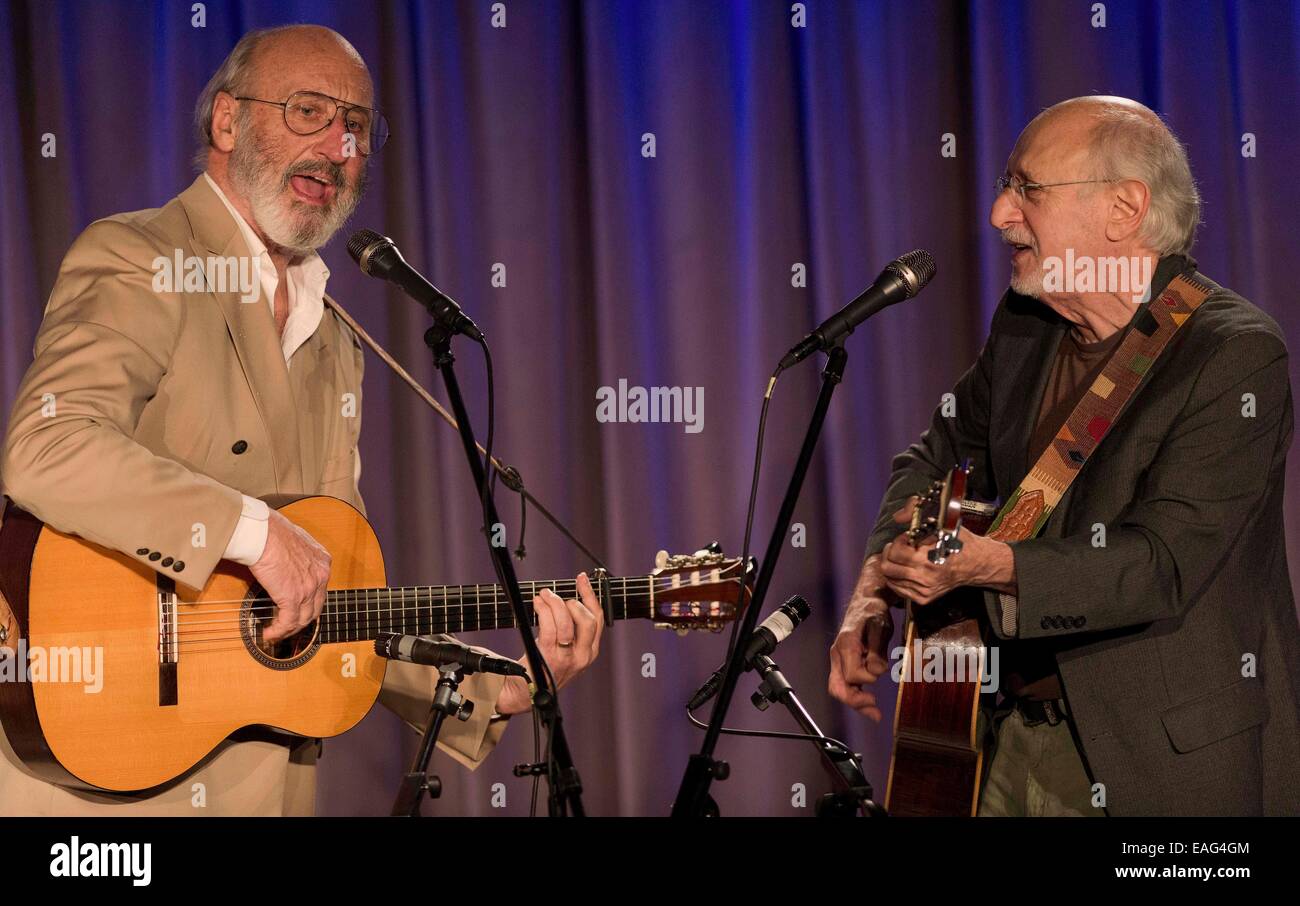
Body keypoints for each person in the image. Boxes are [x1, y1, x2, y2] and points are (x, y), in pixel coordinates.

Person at [0, 25, 602, 816]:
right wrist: (252, 533)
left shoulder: (338, 340)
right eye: (308, 111)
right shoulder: (143, 256)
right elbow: (49, 447)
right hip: (114, 781)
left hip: (270, 777)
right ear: (225, 123)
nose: (338, 147)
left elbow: (331, 591)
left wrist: (499, 688)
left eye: (357, 127)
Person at [829, 96, 1300, 816]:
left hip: (1155, 761)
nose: (999, 215)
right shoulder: (1026, 324)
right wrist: (877, 580)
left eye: (1027, 189)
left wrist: (993, 565)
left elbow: (1161, 565)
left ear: (1123, 209)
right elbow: (934, 455)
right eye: (1004, 187)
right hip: (998, 741)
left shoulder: (1232, 353)